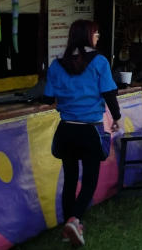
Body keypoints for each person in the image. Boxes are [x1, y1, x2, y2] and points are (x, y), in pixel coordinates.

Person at [44, 20, 121, 247]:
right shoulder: (99, 62)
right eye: (96, 33)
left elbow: (48, 96)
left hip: (66, 129)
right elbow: (109, 93)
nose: (98, 37)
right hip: (90, 130)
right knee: (89, 181)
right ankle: (75, 220)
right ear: (88, 36)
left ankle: (69, 226)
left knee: (69, 179)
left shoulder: (57, 64)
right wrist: (116, 117)